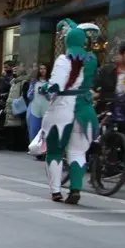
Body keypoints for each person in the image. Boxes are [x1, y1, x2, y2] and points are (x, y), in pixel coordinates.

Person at [42, 20, 100, 204]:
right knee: (77, 152)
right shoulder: (92, 59)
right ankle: (75, 188)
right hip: (84, 109)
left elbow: (55, 86)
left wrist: (44, 89)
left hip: (62, 108)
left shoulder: (63, 60)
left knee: (55, 151)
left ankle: (56, 191)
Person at [26, 63, 51, 148]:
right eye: (41, 68)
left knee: (46, 130)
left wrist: (46, 93)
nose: (42, 70)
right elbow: (29, 95)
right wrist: (32, 91)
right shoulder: (34, 81)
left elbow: (53, 97)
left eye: (44, 68)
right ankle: (34, 148)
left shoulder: (51, 82)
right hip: (35, 109)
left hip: (46, 109)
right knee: (34, 130)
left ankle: (45, 149)